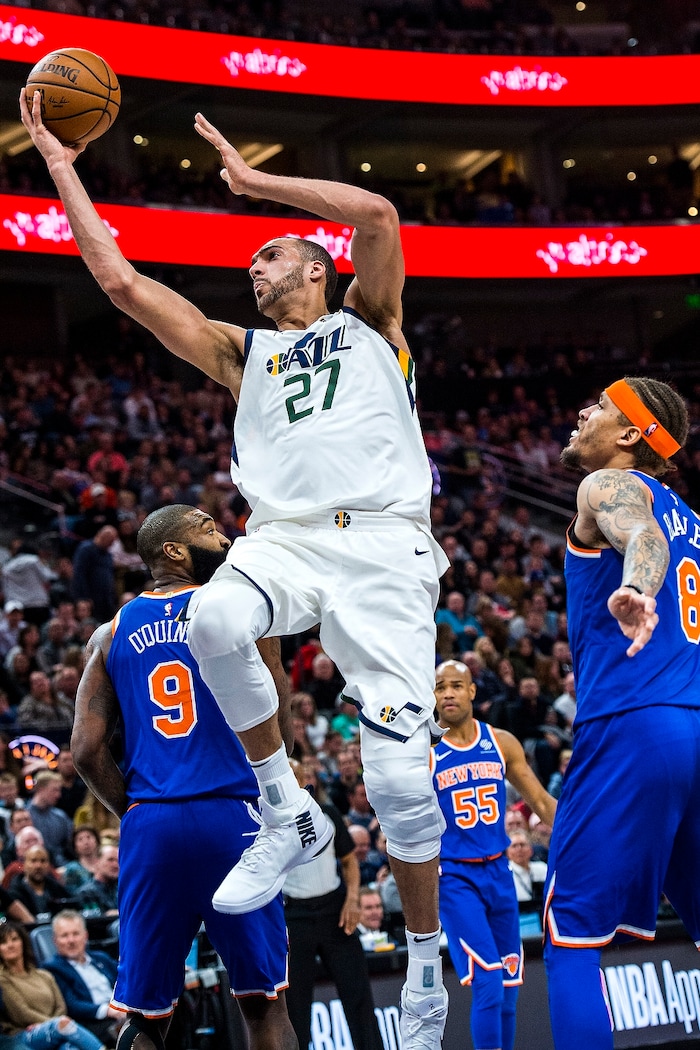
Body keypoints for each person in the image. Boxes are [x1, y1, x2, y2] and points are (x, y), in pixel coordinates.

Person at [19, 94, 452, 1048]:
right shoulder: (236, 352)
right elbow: (125, 284)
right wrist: (58, 162)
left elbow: (377, 215)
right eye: (251, 256)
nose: (252, 268)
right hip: (287, 537)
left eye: (268, 253)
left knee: (402, 780)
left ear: (315, 263)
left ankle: (426, 960)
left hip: (383, 543)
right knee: (211, 622)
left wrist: (254, 183)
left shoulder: (372, 319)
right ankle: (286, 808)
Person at [69, 505, 295, 1050]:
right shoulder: (240, 610)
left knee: (146, 1016)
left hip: (151, 825)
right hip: (233, 817)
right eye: (208, 529)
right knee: (264, 1005)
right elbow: (278, 713)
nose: (223, 535)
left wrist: (139, 812)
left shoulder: (110, 632)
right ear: (174, 550)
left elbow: (84, 750)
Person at [543, 376, 700, 1050]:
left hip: (636, 723)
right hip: (692, 723)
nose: (583, 412)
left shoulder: (606, 485)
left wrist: (635, 587)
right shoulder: (693, 519)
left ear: (631, 435)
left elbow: (638, 534)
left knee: (570, 936)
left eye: (600, 408)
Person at [432, 660, 556, 1050]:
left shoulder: (501, 741)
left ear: (472, 691)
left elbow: (539, 800)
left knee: (508, 986)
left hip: (499, 873)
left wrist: (586, 838)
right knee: (486, 980)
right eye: (439, 687)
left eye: (456, 685)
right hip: (454, 877)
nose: (448, 693)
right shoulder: (426, 753)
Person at [283, 760, 383, 1050]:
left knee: (359, 996)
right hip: (294, 916)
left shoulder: (327, 814)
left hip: (335, 912)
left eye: (297, 773)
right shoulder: (265, 819)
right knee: (296, 1008)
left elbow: (349, 861)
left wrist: (352, 900)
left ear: (306, 779)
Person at [0, 922, 107, 1050]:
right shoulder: (2, 979)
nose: (10, 945)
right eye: (3, 942)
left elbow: (61, 1006)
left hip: (58, 1028)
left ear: (23, 941)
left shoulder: (44, 975)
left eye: (14, 939)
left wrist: (56, 1024)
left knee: (70, 1048)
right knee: (63, 1024)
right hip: (24, 1033)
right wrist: (53, 1024)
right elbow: (21, 1013)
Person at [43, 910, 120, 1047]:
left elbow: (123, 982)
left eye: (75, 934)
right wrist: (108, 1010)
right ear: (55, 940)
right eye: (64, 936)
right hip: (91, 1022)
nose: (71, 940)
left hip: (120, 1012)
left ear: (85, 936)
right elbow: (71, 1005)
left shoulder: (101, 958)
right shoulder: (52, 968)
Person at [27, 774, 74, 869]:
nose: (58, 795)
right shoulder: (25, 816)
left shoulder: (61, 817)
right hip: (34, 865)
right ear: (40, 789)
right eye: (54, 790)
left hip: (62, 866)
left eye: (59, 790)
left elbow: (71, 844)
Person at [74, 847, 119, 918]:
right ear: (97, 862)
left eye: (118, 861)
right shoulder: (86, 892)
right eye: (110, 860)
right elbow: (94, 920)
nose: (116, 865)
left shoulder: (122, 890)